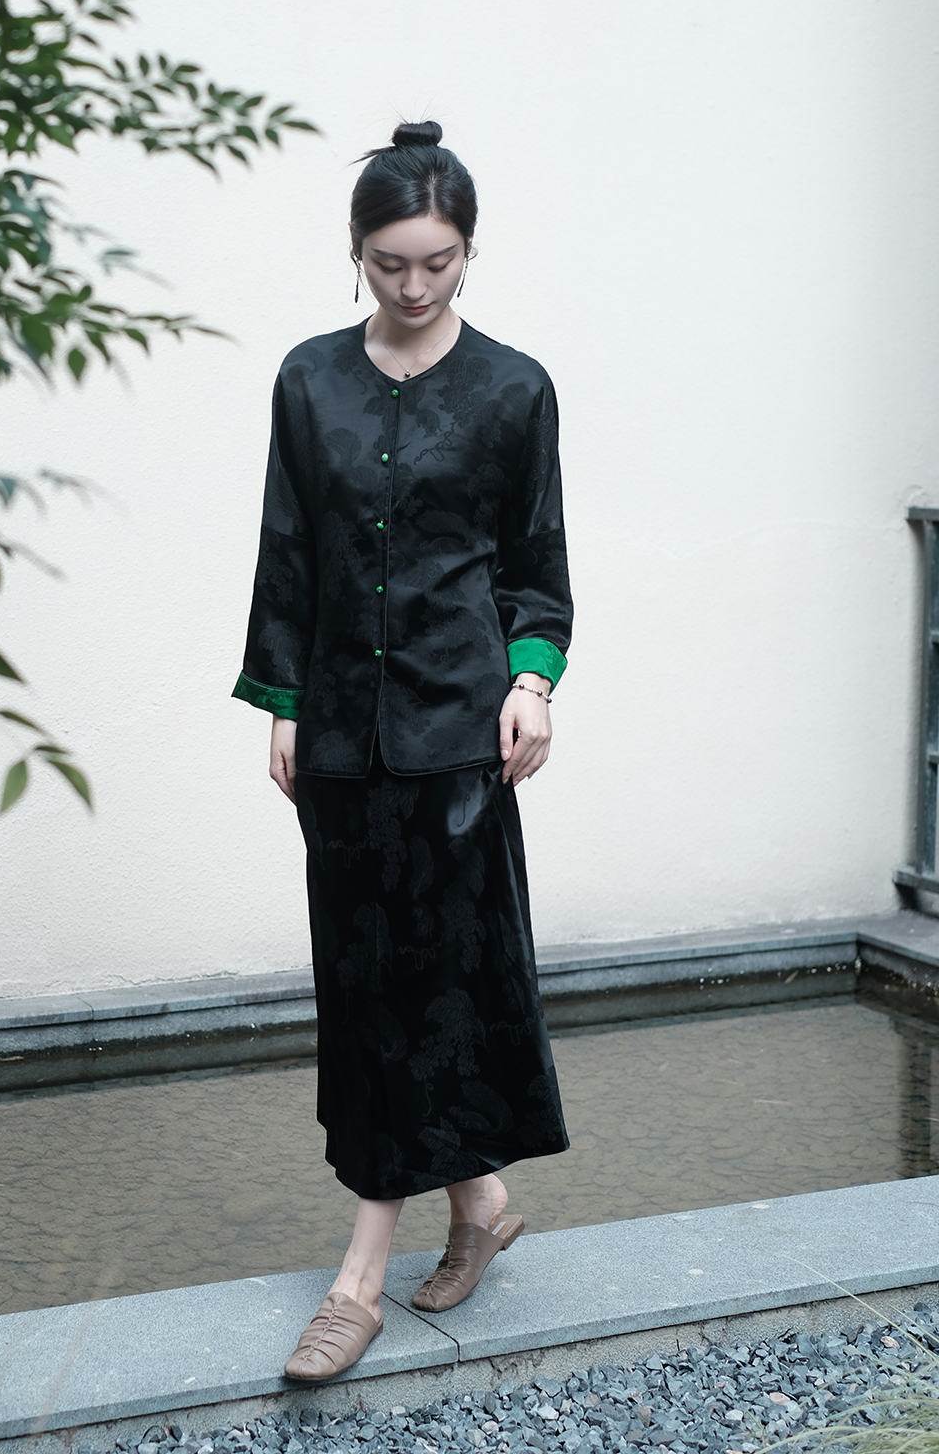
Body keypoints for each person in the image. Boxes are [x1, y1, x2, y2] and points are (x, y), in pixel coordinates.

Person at [232, 120, 573, 1381]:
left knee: (429, 978)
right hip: (336, 734)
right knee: (367, 981)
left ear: (469, 250)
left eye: (437, 261)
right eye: (390, 263)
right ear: (357, 252)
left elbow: (537, 564)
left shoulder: (514, 389)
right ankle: (481, 1200)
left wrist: (532, 682)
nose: (415, 285)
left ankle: (358, 1281)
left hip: (460, 735)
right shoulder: (308, 379)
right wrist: (282, 699)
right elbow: (287, 550)